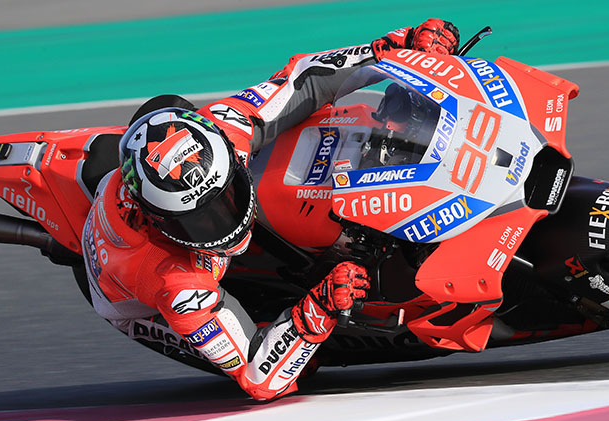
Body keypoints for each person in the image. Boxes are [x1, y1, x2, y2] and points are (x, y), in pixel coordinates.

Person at [82, 19, 460, 401]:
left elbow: (306, 79)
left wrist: (397, 48)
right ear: (159, 219)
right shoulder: (174, 284)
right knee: (306, 363)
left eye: (227, 193)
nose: (223, 219)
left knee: (310, 124)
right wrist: (321, 306)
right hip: (141, 302)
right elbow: (259, 378)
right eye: (200, 219)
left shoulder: (221, 131)